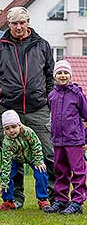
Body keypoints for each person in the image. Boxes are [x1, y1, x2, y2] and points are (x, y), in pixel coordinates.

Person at [0, 6, 55, 208]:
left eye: (22, 22)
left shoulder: (42, 45)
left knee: (47, 154)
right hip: (8, 109)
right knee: (11, 156)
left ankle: (50, 197)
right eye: (14, 23)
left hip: (38, 108)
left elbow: (50, 75)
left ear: (28, 22)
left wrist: (48, 99)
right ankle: (14, 199)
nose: (18, 27)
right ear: (9, 24)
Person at [46, 60, 87, 214]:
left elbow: (86, 115)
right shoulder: (52, 95)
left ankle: (77, 201)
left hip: (74, 140)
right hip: (58, 140)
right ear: (55, 76)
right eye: (59, 73)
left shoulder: (77, 94)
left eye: (65, 73)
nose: (62, 76)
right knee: (60, 170)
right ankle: (61, 199)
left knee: (78, 171)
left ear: (70, 75)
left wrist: (84, 138)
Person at [0, 110, 50, 211]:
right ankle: (8, 201)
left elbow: (36, 145)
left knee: (41, 172)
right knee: (7, 175)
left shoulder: (28, 132)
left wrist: (39, 161)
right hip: (16, 158)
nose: (11, 131)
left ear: (19, 125)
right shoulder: (6, 141)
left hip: (32, 156)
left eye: (14, 127)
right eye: (7, 128)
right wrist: (4, 182)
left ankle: (43, 199)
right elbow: (6, 162)